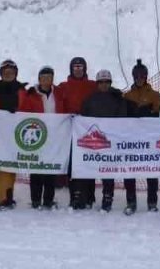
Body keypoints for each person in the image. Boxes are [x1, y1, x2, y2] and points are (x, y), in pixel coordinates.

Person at [81, 69, 127, 212]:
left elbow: (123, 118)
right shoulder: (90, 99)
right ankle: (89, 197)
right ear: (97, 83)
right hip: (93, 142)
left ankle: (108, 198)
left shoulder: (117, 99)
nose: (104, 85)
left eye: (107, 82)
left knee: (108, 171)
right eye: (101, 82)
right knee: (90, 168)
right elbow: (83, 118)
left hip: (110, 141)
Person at [123, 59, 160, 215]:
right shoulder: (127, 95)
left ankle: (152, 202)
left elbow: (159, 115)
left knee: (151, 170)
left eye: (142, 76)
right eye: (137, 76)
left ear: (146, 77)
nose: (140, 79)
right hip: (131, 141)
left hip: (149, 140)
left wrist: (148, 113)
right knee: (129, 171)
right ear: (133, 77)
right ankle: (131, 202)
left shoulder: (154, 95)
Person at [58, 56, 98, 209]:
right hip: (70, 130)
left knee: (89, 161)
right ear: (71, 69)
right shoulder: (63, 86)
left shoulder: (92, 85)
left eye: (80, 67)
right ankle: (75, 194)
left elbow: (104, 91)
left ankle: (89, 195)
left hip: (88, 130)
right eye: (75, 67)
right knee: (73, 164)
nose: (78, 70)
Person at [20, 65, 61, 209]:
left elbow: (64, 109)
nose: (46, 80)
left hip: (55, 135)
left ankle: (48, 200)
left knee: (50, 168)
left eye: (49, 77)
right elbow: (23, 113)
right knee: (37, 166)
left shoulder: (58, 93)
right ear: (39, 79)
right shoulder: (31, 94)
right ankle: (36, 199)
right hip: (37, 135)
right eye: (44, 78)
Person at [0, 59, 26, 210]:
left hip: (17, 132)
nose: (8, 74)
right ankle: (3, 198)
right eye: (5, 72)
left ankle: (9, 195)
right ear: (1, 74)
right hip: (1, 133)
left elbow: (27, 107)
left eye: (11, 72)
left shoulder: (22, 90)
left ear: (16, 73)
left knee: (13, 162)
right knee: (3, 164)